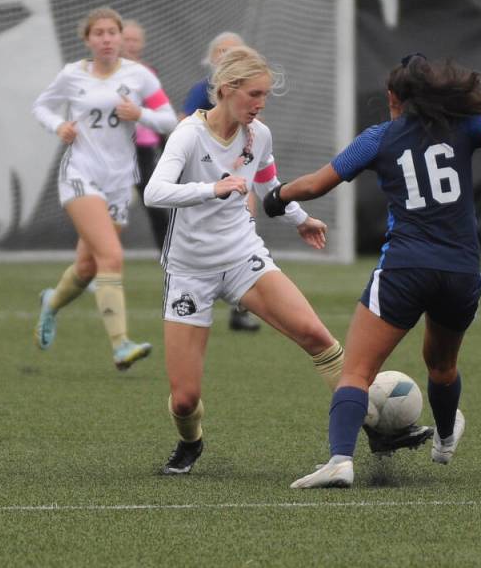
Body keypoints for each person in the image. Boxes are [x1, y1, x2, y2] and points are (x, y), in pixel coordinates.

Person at [265, 53, 481, 489]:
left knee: (356, 373)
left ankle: (339, 460)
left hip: (405, 268)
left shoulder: (379, 137)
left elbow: (316, 184)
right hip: (461, 272)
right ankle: (444, 440)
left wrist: (277, 196)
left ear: (392, 96)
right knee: (442, 366)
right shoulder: (464, 126)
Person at [144, 45, 351, 475]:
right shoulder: (188, 134)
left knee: (318, 337)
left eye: (265, 97)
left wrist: (299, 217)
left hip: (243, 257)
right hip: (190, 271)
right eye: (253, 94)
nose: (259, 104)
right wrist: (210, 190)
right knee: (184, 399)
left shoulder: (260, 134)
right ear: (225, 90)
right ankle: (190, 442)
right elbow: (154, 192)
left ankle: (371, 424)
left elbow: (267, 181)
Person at [32, 7, 177, 370]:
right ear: (87, 39)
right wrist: (58, 126)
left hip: (117, 181)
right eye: (99, 33)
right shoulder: (72, 75)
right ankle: (120, 344)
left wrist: (140, 114)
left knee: (86, 265)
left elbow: (168, 119)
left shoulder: (139, 76)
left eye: (112, 32)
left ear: (120, 36)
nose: (107, 39)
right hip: (80, 174)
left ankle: (52, 302)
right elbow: (42, 106)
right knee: (111, 256)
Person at [180, 31, 263, 332]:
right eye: (223, 51)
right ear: (212, 58)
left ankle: (240, 307)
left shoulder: (250, 100)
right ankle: (197, 298)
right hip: (208, 183)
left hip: (239, 179)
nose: (228, 57)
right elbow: (184, 130)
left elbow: (256, 147)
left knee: (245, 229)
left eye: (236, 52)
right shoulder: (203, 91)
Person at [120, 19, 172, 252]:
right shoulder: (107, 71)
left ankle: (169, 251)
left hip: (142, 145)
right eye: (127, 39)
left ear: (142, 43)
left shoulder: (149, 72)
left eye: (135, 40)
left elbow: (158, 111)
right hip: (114, 145)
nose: (131, 44)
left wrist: (165, 143)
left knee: (152, 198)